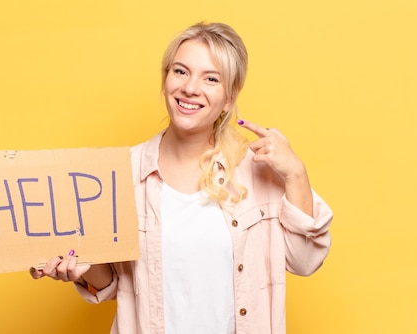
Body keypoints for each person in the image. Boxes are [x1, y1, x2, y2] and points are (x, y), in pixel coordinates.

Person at [29, 21, 333, 334]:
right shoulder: (121, 173)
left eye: (211, 78)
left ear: (229, 98)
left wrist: (297, 173)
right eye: (180, 71)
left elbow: (306, 261)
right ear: (165, 79)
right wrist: (84, 267)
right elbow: (111, 285)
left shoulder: (258, 170)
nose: (190, 87)